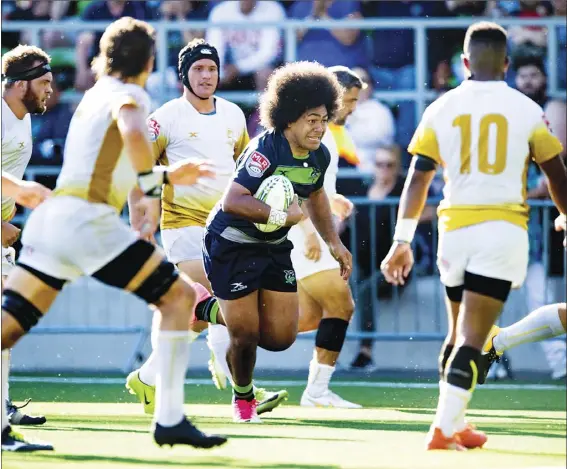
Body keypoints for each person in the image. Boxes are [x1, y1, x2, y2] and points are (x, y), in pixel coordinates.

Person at [1, 17, 227, 452]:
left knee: (7, 329)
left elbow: (114, 157)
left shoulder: (92, 95)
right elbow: (131, 126)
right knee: (180, 298)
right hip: (89, 223)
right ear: (147, 59)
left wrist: (159, 177)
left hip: (55, 220)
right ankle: (170, 419)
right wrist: (153, 178)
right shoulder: (129, 95)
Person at [380, 21, 567, 451]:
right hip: (500, 231)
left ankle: (457, 421)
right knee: (475, 338)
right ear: (506, 63)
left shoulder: (440, 108)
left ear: (464, 62)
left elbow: (417, 178)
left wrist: (401, 239)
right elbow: (555, 173)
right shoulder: (525, 108)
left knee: (456, 334)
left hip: (453, 231)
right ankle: (443, 429)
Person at [125, 38, 287, 416]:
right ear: (184, 74)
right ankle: (242, 392)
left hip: (226, 226)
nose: (206, 75)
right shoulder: (165, 117)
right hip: (183, 226)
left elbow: (249, 169)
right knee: (227, 301)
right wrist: (141, 218)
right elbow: (138, 169)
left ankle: (148, 377)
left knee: (204, 308)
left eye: (212, 68)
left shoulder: (232, 114)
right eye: (198, 68)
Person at [202, 61, 352, 422]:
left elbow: (315, 195)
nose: (318, 127)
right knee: (245, 335)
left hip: (273, 246)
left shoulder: (320, 154)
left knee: (281, 338)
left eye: (322, 118)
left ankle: (206, 309)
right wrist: (283, 217)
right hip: (232, 242)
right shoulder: (265, 149)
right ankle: (244, 401)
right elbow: (232, 201)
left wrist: (334, 242)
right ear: (288, 118)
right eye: (310, 119)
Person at [1, 45, 54, 452]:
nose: (50, 90)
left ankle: (2, 412)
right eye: (44, 83)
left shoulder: (22, 119)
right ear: (20, 85)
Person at [479, 214, 567, 383]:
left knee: (541, 300)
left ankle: (497, 342)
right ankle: (493, 344)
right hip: (496, 248)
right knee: (490, 304)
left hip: (529, 248)